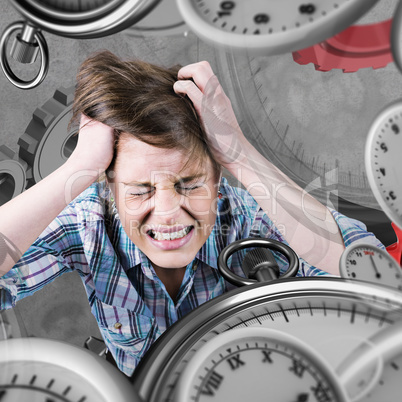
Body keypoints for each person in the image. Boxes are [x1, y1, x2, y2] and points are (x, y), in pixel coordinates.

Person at [0, 50, 384, 376]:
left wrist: (239, 153)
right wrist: (78, 167)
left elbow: (373, 281)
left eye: (189, 184)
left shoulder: (245, 214)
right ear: (110, 191)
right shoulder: (88, 224)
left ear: (218, 181)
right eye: (140, 190)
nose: (167, 213)